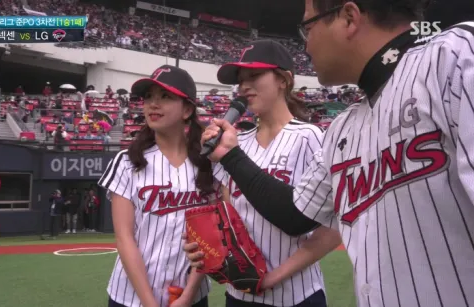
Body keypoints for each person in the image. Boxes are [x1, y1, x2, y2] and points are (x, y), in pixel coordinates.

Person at [189, 1, 474, 307]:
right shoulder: (343, 128)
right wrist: (230, 157)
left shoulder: (455, 55)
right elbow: (296, 215)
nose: (305, 44)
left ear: (349, 18)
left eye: (308, 27)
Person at [185, 40, 342, 307]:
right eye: (240, 79)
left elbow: (332, 229)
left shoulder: (308, 136)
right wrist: (206, 245)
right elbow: (228, 218)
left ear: (283, 80)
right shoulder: (234, 142)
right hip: (239, 294)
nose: (244, 86)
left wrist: (272, 278)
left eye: (254, 75)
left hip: (296, 294)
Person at [98, 65, 215, 307]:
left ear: (187, 110)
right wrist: (150, 304)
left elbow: (209, 239)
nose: (153, 104)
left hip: (191, 296)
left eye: (165, 97)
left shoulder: (209, 164)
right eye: (148, 97)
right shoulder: (127, 162)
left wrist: (188, 295)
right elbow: (124, 238)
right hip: (130, 298)